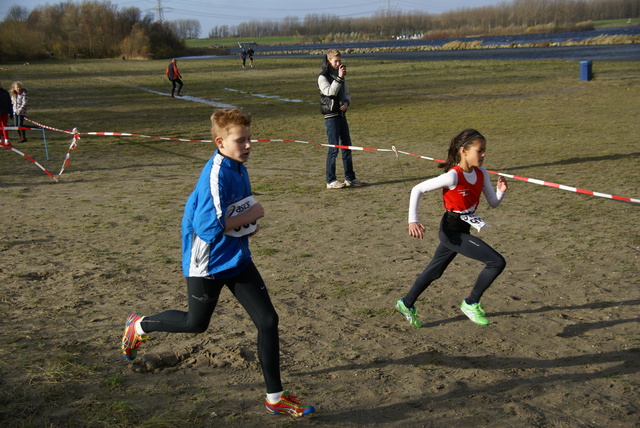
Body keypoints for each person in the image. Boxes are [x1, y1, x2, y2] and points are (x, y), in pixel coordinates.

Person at [121, 108, 315, 418]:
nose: (248, 145)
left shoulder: (238, 166)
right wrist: (251, 216)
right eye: (241, 141)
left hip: (237, 258)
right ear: (220, 142)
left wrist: (247, 224)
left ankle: (275, 399)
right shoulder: (216, 173)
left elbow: (235, 211)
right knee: (195, 324)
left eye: (250, 139)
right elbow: (207, 227)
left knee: (268, 320)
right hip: (207, 263)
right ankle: (138, 325)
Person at [395, 129, 508, 328]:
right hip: (451, 231)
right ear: (464, 151)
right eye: (479, 151)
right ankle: (471, 303)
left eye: (484, 151)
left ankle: (406, 303)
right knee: (496, 262)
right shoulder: (452, 176)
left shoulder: (481, 173)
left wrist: (500, 193)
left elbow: (492, 202)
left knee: (434, 271)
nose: (483, 155)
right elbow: (417, 189)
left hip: (465, 228)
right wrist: (413, 220)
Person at [318, 49, 364, 189]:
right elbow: (330, 92)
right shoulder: (322, 77)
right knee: (333, 148)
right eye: (335, 61)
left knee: (347, 147)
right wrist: (338, 77)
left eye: (339, 61)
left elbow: (347, 93)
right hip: (330, 117)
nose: (338, 64)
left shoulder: (341, 76)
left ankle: (350, 177)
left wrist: (346, 103)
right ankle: (330, 180)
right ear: (328, 61)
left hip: (342, 116)